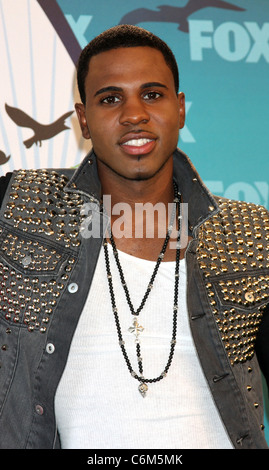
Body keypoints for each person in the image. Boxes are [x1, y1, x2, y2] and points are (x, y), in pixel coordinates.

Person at [0, 24, 268, 450]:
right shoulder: (21, 209)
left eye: (152, 94)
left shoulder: (248, 234)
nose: (134, 114)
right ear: (83, 120)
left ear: (180, 109)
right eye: (110, 99)